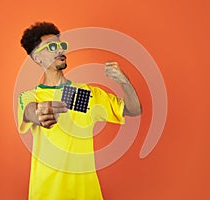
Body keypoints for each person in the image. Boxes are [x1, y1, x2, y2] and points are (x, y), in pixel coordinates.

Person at [18, 22, 142, 200]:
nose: (59, 50)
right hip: (46, 194)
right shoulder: (30, 96)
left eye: (61, 45)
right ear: (37, 58)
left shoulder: (84, 94)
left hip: (86, 194)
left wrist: (124, 82)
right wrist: (39, 113)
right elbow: (30, 112)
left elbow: (133, 109)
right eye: (52, 47)